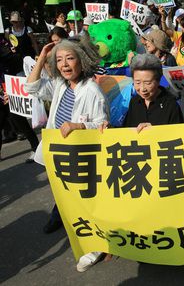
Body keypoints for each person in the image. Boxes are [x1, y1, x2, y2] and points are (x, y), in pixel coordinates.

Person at [25, 37, 109, 271]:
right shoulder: (60, 85)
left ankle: (96, 246)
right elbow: (31, 87)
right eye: (59, 60)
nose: (64, 64)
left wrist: (80, 126)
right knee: (67, 200)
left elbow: (103, 126)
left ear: (81, 61)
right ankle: (79, 233)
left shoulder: (92, 91)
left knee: (86, 201)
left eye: (70, 58)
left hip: (82, 158)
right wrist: (42, 58)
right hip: (58, 155)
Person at [116, 54, 182, 129]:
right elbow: (126, 131)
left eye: (148, 83)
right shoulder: (134, 102)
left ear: (158, 80)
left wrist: (154, 131)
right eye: (137, 82)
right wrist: (108, 128)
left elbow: (179, 135)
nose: (142, 88)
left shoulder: (171, 105)